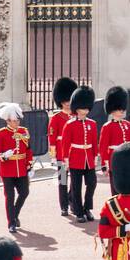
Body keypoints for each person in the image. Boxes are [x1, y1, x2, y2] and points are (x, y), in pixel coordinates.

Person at [0, 102, 33, 233]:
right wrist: (4, 156)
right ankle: (11, 222)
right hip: (7, 170)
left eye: (18, 120)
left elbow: (28, 150)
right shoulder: (0, 134)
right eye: (14, 121)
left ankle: (14, 215)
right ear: (8, 121)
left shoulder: (24, 131)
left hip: (21, 168)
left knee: (24, 193)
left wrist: (30, 165)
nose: (17, 123)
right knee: (9, 196)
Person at [60, 85, 98, 222]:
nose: (85, 111)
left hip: (89, 158)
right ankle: (79, 211)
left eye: (87, 108)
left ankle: (87, 207)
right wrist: (66, 160)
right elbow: (65, 143)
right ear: (77, 108)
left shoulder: (92, 124)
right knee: (76, 187)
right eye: (83, 108)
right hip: (75, 158)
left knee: (92, 183)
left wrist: (96, 156)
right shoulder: (70, 124)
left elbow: (94, 142)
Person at [47, 77, 77, 217]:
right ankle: (64, 206)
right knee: (63, 181)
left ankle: (72, 200)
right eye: (65, 101)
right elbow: (52, 138)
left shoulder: (76, 116)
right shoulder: (56, 117)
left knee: (75, 181)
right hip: (60, 154)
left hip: (75, 153)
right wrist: (53, 156)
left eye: (69, 100)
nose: (67, 104)